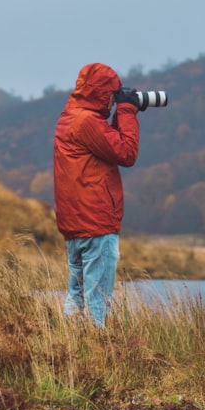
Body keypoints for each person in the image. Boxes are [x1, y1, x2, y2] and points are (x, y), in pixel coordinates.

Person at [52, 62, 141, 328]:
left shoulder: (70, 117)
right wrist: (126, 110)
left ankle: (67, 345)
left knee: (77, 295)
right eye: (113, 95)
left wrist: (118, 114)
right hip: (96, 223)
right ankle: (95, 354)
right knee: (97, 300)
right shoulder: (87, 121)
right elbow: (126, 153)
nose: (114, 101)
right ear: (104, 94)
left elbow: (107, 145)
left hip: (76, 224)